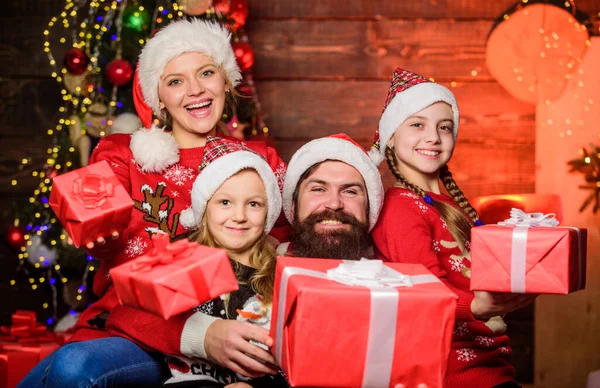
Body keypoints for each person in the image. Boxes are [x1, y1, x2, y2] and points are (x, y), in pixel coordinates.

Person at [19, 19, 286, 388]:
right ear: (157, 96)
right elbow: (108, 241)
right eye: (175, 81)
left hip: (234, 327)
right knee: (74, 366)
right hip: (136, 329)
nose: (195, 90)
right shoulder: (123, 155)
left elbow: (293, 253)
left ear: (225, 80)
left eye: (206, 72)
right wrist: (97, 228)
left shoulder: (260, 162)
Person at [369, 67, 537, 388]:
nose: (433, 137)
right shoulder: (400, 206)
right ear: (391, 136)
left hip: (490, 362)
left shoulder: (451, 204)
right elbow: (424, 292)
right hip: (448, 372)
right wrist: (476, 306)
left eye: (444, 127)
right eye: (417, 124)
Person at [277, 133, 384, 258]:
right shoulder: (265, 269)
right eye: (318, 189)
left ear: (369, 208)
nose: (334, 204)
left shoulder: (394, 273)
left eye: (350, 191)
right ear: (293, 206)